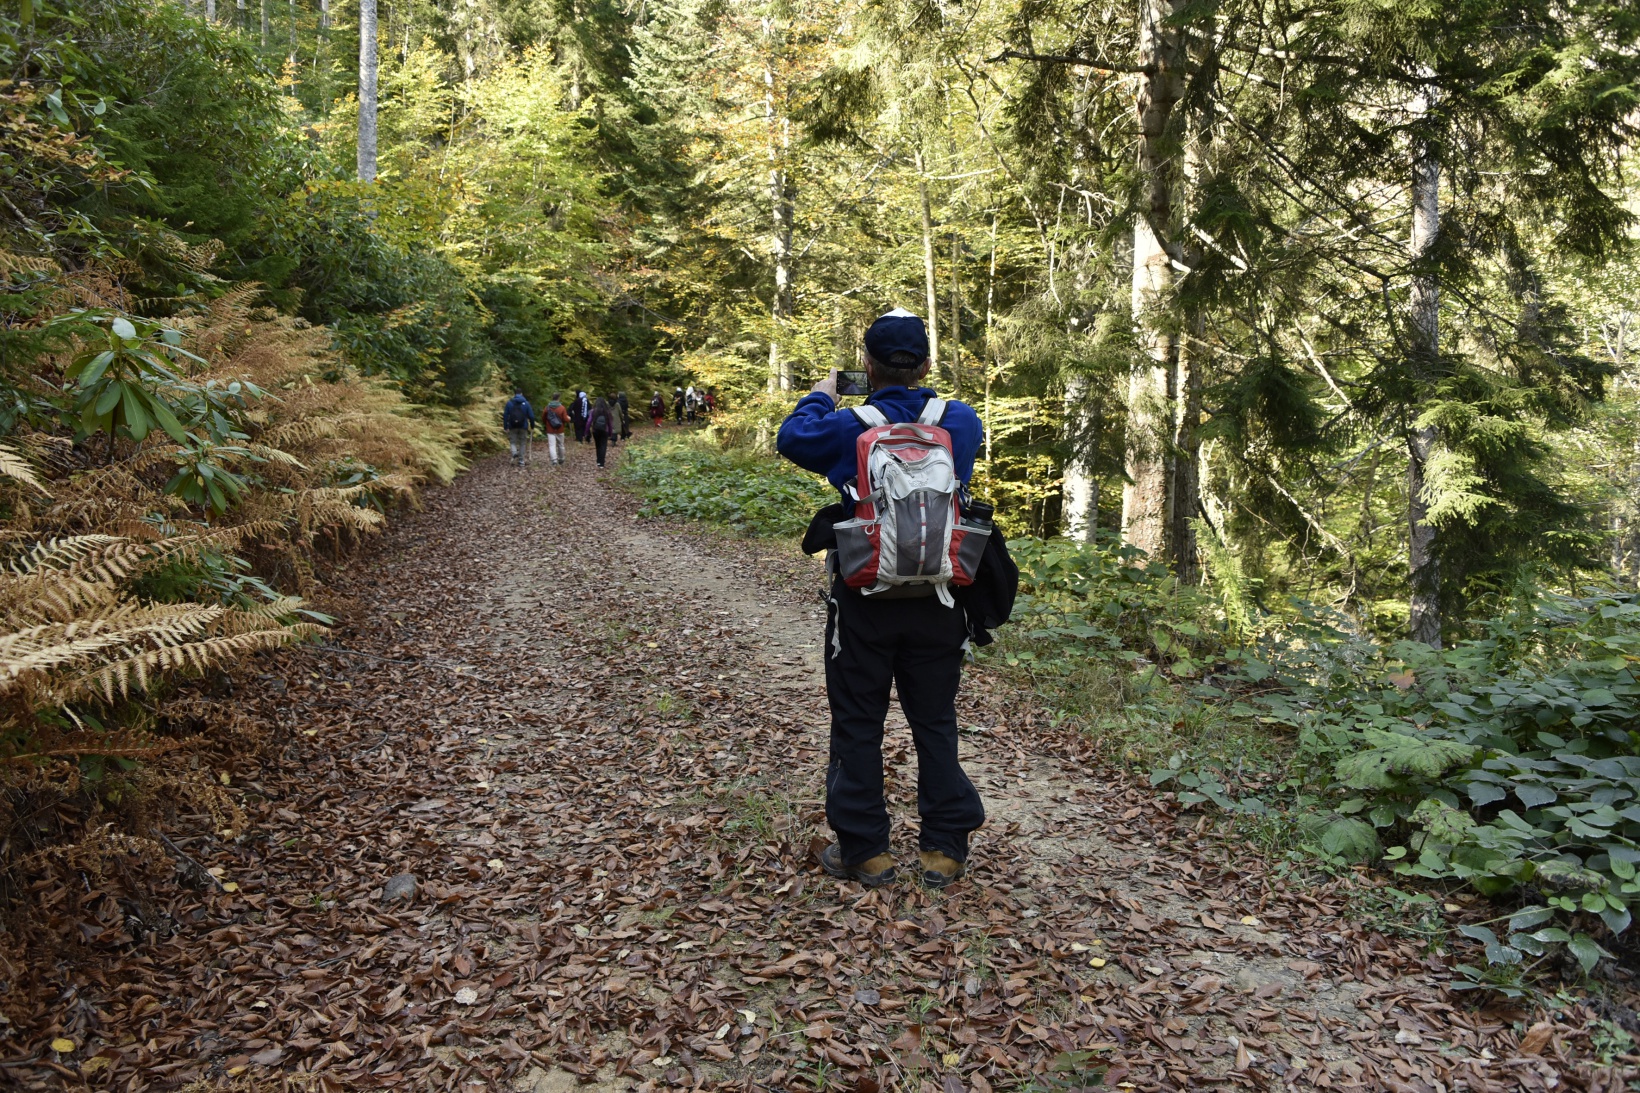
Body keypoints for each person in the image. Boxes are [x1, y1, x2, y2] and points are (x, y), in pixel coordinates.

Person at [776, 308, 986, 891]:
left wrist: (821, 394)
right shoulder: (961, 421)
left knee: (859, 723)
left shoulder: (849, 425)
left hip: (864, 593)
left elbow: (791, 439)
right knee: (935, 721)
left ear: (867, 364)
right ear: (924, 364)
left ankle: (866, 852)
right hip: (942, 597)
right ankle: (944, 849)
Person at [502, 388, 535, 467]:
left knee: (513, 441)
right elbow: (531, 416)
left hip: (512, 426)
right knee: (523, 443)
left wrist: (505, 426)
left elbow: (505, 415)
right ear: (522, 394)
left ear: (514, 394)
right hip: (523, 426)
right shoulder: (526, 403)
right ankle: (521, 461)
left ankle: (514, 452)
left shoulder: (509, 403)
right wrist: (532, 425)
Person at [541, 393, 570, 465]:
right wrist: (569, 418)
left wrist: (547, 424)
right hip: (560, 429)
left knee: (552, 445)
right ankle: (561, 459)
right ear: (558, 398)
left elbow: (543, 418)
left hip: (550, 430)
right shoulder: (562, 408)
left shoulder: (547, 407)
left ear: (552, 398)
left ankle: (554, 460)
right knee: (561, 444)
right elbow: (565, 419)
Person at [588, 396, 617, 468]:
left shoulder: (593, 411)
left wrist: (586, 431)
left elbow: (589, 422)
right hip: (605, 430)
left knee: (597, 445)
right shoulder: (607, 412)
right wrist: (610, 433)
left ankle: (598, 461)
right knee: (603, 446)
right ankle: (602, 463)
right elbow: (610, 424)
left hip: (595, 430)